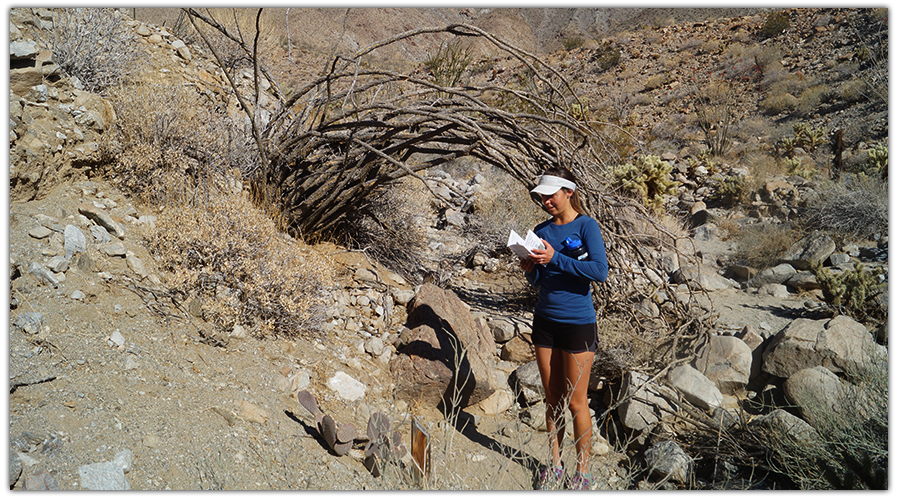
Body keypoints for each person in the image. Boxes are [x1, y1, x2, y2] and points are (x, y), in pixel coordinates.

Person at [519, 167, 608, 490]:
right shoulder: (541, 229)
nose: (545, 202)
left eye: (551, 196)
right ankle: (554, 465)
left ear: (568, 192)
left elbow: (599, 271)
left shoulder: (587, 226)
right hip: (545, 320)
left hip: (578, 323)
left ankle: (582, 473)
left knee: (576, 402)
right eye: (541, 197)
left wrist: (555, 258)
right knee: (552, 397)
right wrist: (530, 269)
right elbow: (541, 279)